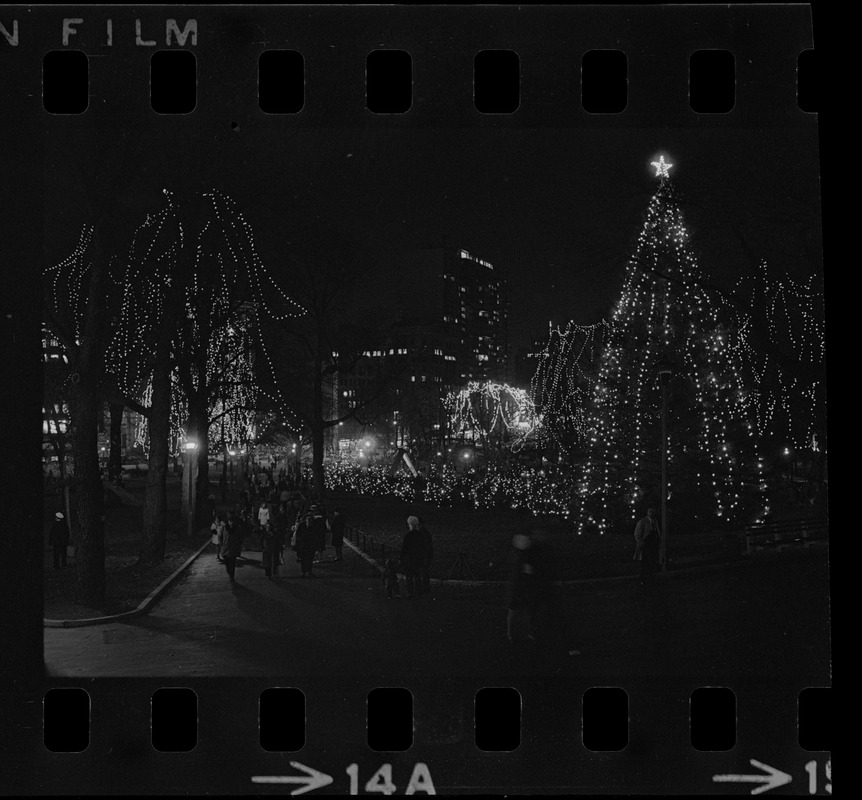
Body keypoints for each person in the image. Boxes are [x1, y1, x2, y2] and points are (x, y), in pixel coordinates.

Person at [633, 507, 662, 584]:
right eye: (650, 512)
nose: (652, 513)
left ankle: (650, 577)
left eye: (653, 512)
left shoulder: (655, 521)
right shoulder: (642, 522)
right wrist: (640, 541)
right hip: (646, 545)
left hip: (653, 544)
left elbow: (657, 532)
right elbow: (637, 533)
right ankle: (643, 578)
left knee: (652, 562)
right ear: (647, 512)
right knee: (645, 562)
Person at [400, 516, 424, 598]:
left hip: (409, 559)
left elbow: (404, 549)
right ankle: (418, 592)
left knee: (409, 577)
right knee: (417, 576)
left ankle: (410, 592)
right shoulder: (421, 535)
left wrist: (402, 558)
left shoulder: (408, 536)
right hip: (418, 558)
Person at [223, 513, 244, 582]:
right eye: (229, 521)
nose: (230, 523)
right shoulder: (225, 527)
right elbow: (221, 536)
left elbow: (240, 537)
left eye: (232, 521)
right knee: (227, 562)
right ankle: (229, 573)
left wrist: (238, 545)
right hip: (226, 547)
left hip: (233, 548)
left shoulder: (237, 528)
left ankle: (232, 576)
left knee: (232, 563)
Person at [416, 519, 433, 594]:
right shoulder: (425, 532)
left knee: (423, 572)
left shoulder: (421, 533)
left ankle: (423, 588)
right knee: (424, 572)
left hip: (423, 555)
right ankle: (425, 588)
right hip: (426, 555)